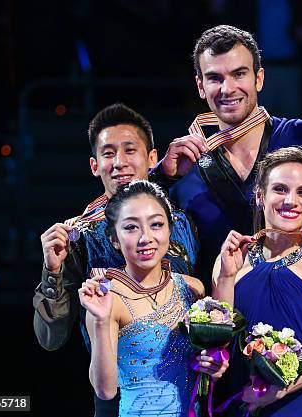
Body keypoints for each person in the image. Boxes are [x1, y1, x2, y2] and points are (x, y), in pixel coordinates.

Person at [159, 25, 302, 288]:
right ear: (200, 86)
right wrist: (161, 178)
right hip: (221, 320)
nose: (227, 88)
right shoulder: (183, 169)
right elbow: (127, 223)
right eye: (215, 78)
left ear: (259, 78)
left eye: (239, 74)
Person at [33, 103, 199, 416]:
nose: (119, 163)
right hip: (119, 398)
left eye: (129, 150)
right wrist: (51, 273)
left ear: (152, 158)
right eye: (108, 154)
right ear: (95, 165)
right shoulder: (77, 239)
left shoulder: (183, 224)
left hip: (190, 393)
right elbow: (50, 339)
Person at [78, 180, 228, 416]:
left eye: (156, 224)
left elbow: (206, 370)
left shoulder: (192, 289)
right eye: (130, 227)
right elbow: (105, 391)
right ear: (114, 239)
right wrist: (99, 320)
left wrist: (214, 365)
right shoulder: (107, 299)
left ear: (170, 229)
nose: (145, 237)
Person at [213, 147, 302, 416]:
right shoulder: (230, 260)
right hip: (244, 403)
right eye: (280, 189)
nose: (291, 201)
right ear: (260, 195)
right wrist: (227, 276)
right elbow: (218, 343)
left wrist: (275, 392)